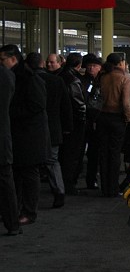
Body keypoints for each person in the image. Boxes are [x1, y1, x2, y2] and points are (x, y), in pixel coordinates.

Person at [1, 45, 48, 226]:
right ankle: (15, 210)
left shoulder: (28, 78)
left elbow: (36, 105)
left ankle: (28, 211)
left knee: (28, 175)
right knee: (18, 175)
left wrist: (10, 112)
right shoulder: (18, 77)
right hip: (21, 134)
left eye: (3, 59)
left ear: (13, 59)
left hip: (28, 135)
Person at [27, 52, 72, 208]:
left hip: (28, 130)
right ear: (42, 64)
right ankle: (59, 192)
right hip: (53, 128)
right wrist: (67, 127)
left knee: (28, 165)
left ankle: (26, 199)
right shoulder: (57, 81)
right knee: (52, 161)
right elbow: (66, 106)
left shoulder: (25, 81)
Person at [95, 53, 130, 197]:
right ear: (121, 63)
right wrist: (128, 117)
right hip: (117, 118)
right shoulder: (124, 78)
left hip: (102, 117)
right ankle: (113, 188)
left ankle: (104, 187)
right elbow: (125, 103)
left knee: (103, 152)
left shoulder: (102, 76)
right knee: (115, 153)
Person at [58, 53, 88, 195]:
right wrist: (84, 118)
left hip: (61, 120)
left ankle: (60, 182)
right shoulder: (74, 80)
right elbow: (79, 104)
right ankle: (69, 183)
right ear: (79, 65)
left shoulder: (59, 76)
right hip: (75, 122)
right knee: (73, 153)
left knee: (62, 153)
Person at [0, 48, 20, 235]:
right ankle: (12, 223)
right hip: (3, 137)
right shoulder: (7, 76)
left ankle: (12, 222)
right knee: (6, 181)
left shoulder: (5, 76)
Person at [80, 53, 104, 190]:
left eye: (94, 66)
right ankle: (90, 178)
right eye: (89, 66)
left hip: (97, 120)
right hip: (87, 119)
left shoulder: (102, 82)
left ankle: (92, 177)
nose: (91, 68)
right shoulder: (84, 81)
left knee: (95, 152)